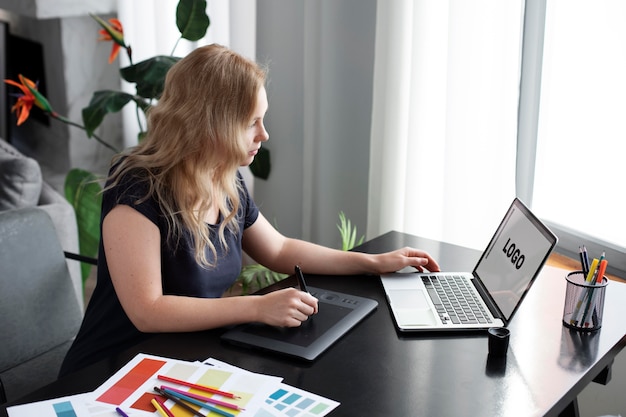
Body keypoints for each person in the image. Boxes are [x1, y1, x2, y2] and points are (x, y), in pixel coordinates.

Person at [59, 44, 440, 377]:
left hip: (180, 359)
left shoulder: (225, 178)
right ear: (212, 125)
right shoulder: (137, 188)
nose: (264, 134)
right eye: (251, 123)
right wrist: (257, 307)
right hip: (112, 370)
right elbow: (148, 310)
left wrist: (370, 263)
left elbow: (279, 251)